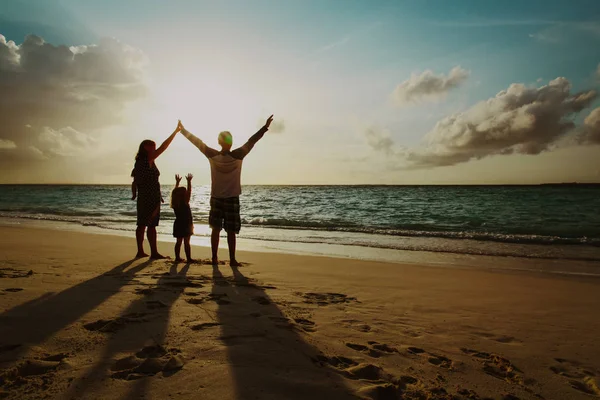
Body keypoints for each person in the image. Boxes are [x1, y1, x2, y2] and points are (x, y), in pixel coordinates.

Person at [179, 115, 274, 266]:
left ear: (219, 142)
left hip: (216, 197)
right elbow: (252, 141)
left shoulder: (212, 155)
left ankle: (215, 258)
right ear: (230, 143)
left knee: (215, 229)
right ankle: (232, 259)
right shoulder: (238, 154)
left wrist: (183, 131)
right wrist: (265, 127)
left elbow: (198, 143)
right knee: (231, 231)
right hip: (232, 197)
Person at [132, 121, 181, 259]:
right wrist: (175, 132)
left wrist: (157, 195)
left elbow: (138, 180)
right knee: (144, 224)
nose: (155, 148)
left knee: (148, 225)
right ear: (146, 148)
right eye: (152, 146)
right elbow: (164, 147)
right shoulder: (145, 159)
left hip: (151, 196)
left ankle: (149, 251)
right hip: (147, 196)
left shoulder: (147, 161)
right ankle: (145, 251)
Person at [171, 173, 195, 262]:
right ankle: (188, 258)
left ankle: (177, 257)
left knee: (179, 242)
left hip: (178, 223)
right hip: (186, 224)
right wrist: (189, 182)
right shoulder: (185, 202)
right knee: (186, 242)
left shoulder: (175, 202)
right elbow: (189, 191)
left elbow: (174, 192)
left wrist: (177, 183)